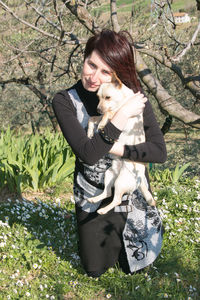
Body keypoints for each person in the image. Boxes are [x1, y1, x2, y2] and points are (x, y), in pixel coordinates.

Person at [52, 29, 167, 278]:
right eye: (91, 65)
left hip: (131, 188)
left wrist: (115, 148)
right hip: (93, 192)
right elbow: (88, 154)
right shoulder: (64, 101)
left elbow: (159, 152)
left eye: (106, 71)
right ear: (83, 58)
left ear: (116, 75)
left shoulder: (134, 96)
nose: (94, 77)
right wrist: (123, 114)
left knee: (136, 264)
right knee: (94, 268)